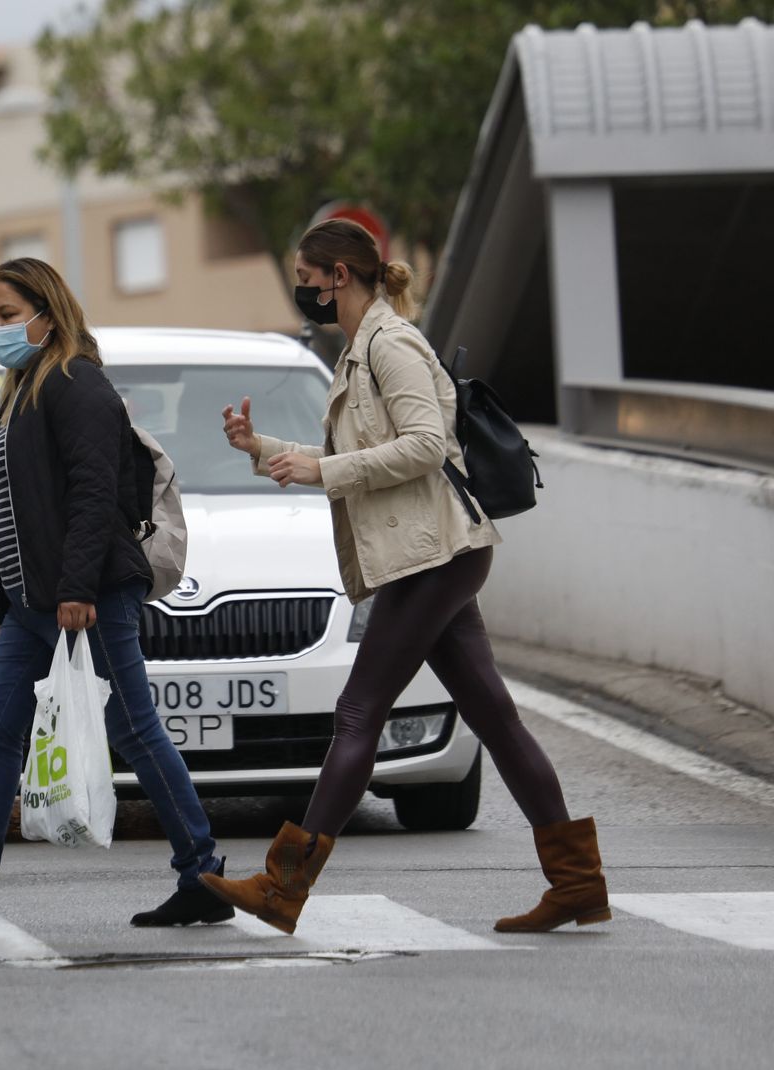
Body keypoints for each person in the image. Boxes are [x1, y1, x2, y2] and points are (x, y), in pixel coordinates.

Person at [201, 219, 608, 936]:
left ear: (338, 276)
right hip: (429, 551)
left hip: (436, 554)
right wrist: (263, 448)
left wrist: (323, 470)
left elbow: (423, 446)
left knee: (359, 714)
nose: (302, 292)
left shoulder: (392, 345)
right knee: (496, 720)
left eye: (306, 277)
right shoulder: (359, 351)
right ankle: (577, 884)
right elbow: (364, 452)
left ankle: (282, 887)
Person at [0, 258, 231, 931]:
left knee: (133, 729)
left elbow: (94, 493)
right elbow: (18, 508)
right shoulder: (23, 391)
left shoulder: (75, 383)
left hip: (87, 596)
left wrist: (76, 590)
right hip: (31, 603)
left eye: (7, 315)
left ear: (47, 313)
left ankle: (204, 873)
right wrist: (8, 599)